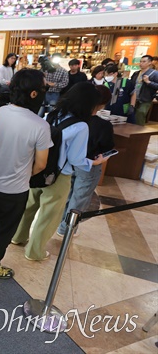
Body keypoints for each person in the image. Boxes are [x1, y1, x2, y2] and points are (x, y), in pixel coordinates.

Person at [0, 69, 53, 280]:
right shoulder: (40, 126)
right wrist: (23, 174)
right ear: (34, 94)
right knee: (5, 230)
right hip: (15, 189)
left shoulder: (0, 112)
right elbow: (41, 164)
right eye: (43, 87)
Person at [12, 83, 108, 261]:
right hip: (59, 175)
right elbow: (75, 159)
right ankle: (34, 251)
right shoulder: (81, 126)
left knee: (29, 206)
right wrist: (95, 161)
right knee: (49, 215)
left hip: (39, 168)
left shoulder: (53, 114)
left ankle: (17, 237)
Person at [56, 86, 115, 237]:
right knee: (80, 199)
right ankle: (66, 228)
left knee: (68, 194)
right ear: (103, 103)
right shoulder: (102, 125)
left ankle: (60, 223)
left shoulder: (70, 119)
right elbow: (107, 146)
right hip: (88, 165)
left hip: (68, 164)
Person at [130, 54, 158, 126]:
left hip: (145, 99)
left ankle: (139, 134)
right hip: (134, 98)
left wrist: (149, 82)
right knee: (131, 116)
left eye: (144, 61)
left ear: (150, 63)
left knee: (140, 114)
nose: (141, 63)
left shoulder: (154, 74)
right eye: (140, 61)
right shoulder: (136, 73)